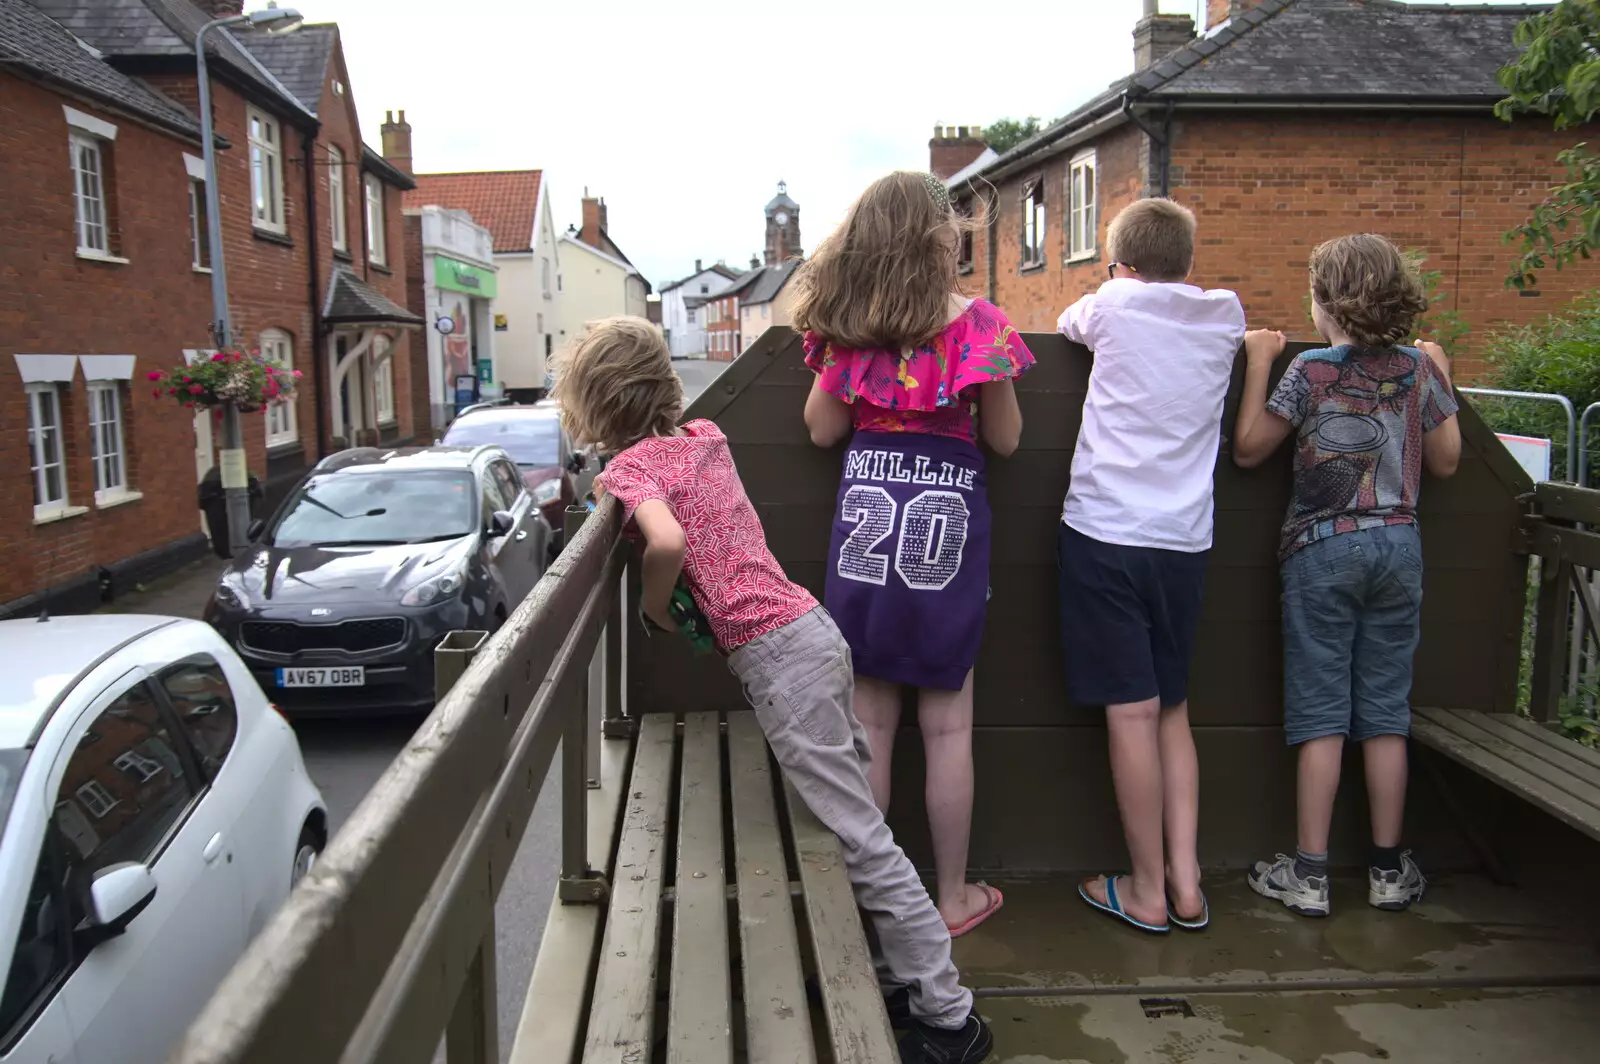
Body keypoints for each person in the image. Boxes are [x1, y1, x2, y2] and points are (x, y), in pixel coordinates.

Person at [554, 316, 993, 1064]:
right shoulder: (704, 440)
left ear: (595, 404)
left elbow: (666, 542)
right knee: (854, 821)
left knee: (861, 836)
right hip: (813, 630)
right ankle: (897, 976)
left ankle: (951, 1017)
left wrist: (654, 609)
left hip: (779, 658)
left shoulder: (632, 472)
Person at [797, 171, 1033, 939]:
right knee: (947, 732)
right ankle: (953, 894)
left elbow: (822, 430)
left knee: (870, 727)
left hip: (865, 556)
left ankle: (871, 894)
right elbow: (1004, 439)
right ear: (941, 241)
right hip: (943, 556)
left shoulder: (848, 331)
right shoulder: (981, 328)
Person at [1232, 233, 1461, 917]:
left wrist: (1259, 363)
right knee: (1386, 712)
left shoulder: (1314, 370)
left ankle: (1309, 876)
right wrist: (1441, 371)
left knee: (1321, 715)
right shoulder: (1418, 373)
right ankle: (1389, 872)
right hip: (1398, 545)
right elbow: (1446, 460)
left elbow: (1248, 450)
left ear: (1324, 303)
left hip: (1321, 550)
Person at [1057, 197, 1247, 934]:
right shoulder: (1226, 316)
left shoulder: (1112, 304)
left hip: (1106, 532)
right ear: (1189, 264)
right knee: (1172, 708)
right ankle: (1187, 882)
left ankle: (1142, 889)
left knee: (1130, 713)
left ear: (1122, 267)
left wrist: (1115, 283)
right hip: (1184, 541)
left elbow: (1074, 320)